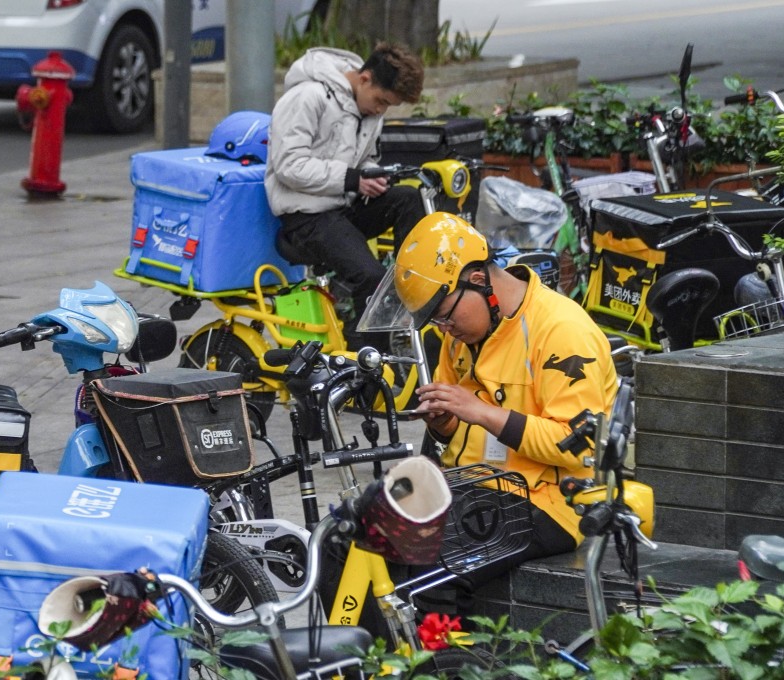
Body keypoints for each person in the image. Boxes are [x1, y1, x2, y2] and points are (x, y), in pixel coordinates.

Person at [397, 211, 618, 600]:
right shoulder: (461, 335)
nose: (444, 330)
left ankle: (441, 660)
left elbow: (580, 442)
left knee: (428, 569)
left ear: (479, 279)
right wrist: (444, 423)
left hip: (557, 501)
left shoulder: (562, 328)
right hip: (477, 486)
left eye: (445, 316)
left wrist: (482, 412)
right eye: (435, 322)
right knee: (358, 540)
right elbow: (462, 432)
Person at [265, 42, 427, 349]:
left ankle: (410, 288)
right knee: (371, 278)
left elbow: (362, 161)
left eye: (388, 106)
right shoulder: (307, 97)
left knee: (408, 198)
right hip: (305, 218)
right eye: (380, 101)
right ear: (364, 78)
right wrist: (353, 179)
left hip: (342, 206)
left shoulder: (369, 109)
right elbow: (288, 166)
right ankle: (364, 369)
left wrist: (372, 174)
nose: (381, 110)